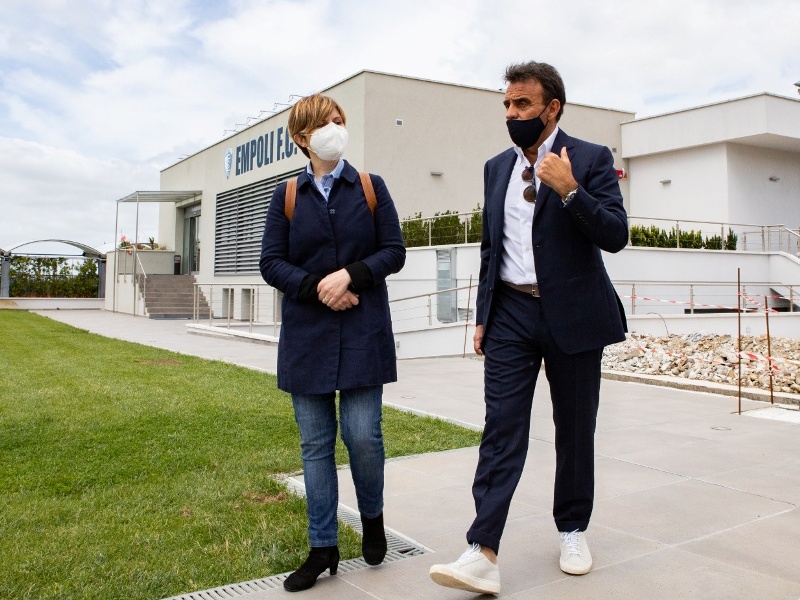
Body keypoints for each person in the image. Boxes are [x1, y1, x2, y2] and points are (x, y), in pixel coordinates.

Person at [429, 61, 628, 595]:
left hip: (575, 315)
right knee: (502, 428)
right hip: (511, 314)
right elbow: (490, 246)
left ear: (551, 108)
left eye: (522, 104)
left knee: (575, 429)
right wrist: (482, 315)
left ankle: (572, 530)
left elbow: (615, 235)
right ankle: (482, 550)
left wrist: (571, 191)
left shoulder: (590, 158)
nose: (512, 114)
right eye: (507, 105)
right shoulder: (497, 167)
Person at [259, 93, 406, 592]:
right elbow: (271, 262)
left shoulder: (370, 186)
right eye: (324, 123)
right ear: (302, 138)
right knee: (316, 445)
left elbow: (394, 250)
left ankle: (373, 519)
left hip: (364, 331)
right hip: (307, 337)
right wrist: (318, 288)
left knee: (364, 436)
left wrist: (350, 276)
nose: (335, 128)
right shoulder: (286, 195)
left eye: (339, 120)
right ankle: (322, 547)